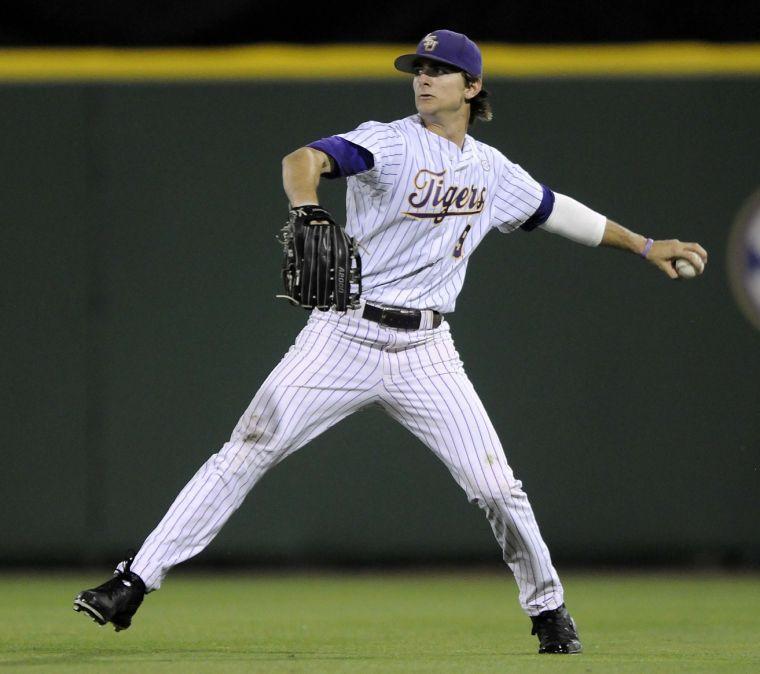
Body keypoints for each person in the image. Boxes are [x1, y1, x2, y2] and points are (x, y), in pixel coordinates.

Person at [73, 29, 708, 654]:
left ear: (474, 86)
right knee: (246, 449)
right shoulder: (389, 142)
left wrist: (648, 246)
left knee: (496, 488)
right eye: (418, 69)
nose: (423, 78)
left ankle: (548, 611)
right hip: (343, 334)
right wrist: (307, 209)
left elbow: (560, 211)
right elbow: (303, 161)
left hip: (428, 352)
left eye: (438, 70)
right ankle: (132, 583)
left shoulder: (491, 171)